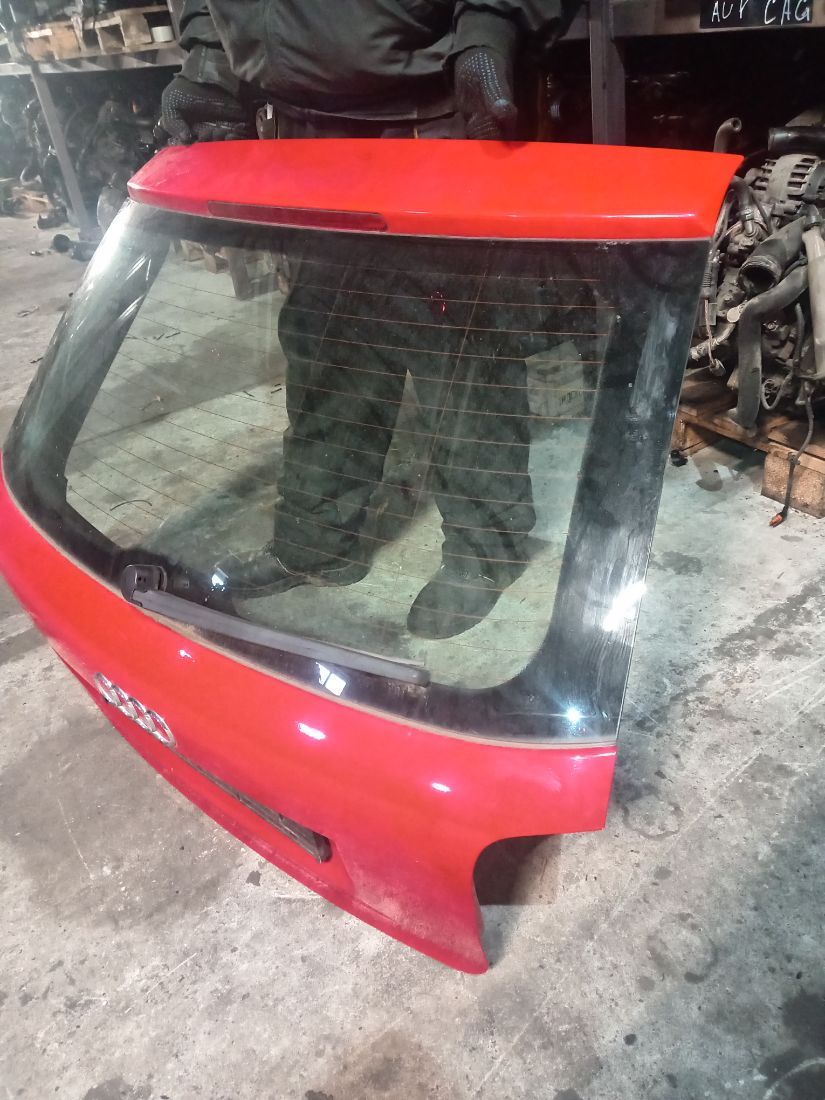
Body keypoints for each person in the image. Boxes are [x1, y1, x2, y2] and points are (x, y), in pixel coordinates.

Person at [158, 0, 579, 639]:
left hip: (429, 112)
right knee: (327, 346)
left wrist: (492, 23)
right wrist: (212, 52)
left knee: (457, 358)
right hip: (304, 126)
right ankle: (317, 542)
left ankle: (486, 551)